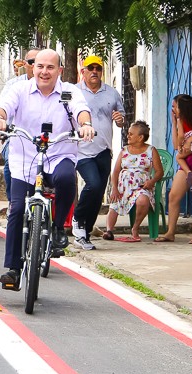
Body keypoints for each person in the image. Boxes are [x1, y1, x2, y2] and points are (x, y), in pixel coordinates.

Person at [0, 48, 95, 291]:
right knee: (16, 209)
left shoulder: (70, 91)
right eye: (40, 66)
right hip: (25, 157)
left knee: (67, 178)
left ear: (60, 70)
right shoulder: (19, 90)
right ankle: (14, 269)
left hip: (59, 153)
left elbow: (81, 111)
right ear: (32, 68)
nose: (44, 72)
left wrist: (86, 125)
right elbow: (3, 107)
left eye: (50, 67)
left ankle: (58, 228)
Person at [72, 54, 125, 250]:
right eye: (90, 68)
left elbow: (121, 118)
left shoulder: (111, 93)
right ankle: (78, 219)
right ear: (83, 71)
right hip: (82, 150)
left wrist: (120, 120)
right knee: (92, 184)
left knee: (98, 191)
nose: (94, 71)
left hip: (104, 148)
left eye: (98, 68)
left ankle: (84, 233)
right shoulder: (74, 92)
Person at [155, 94, 192, 244]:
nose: (173, 109)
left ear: (182, 106)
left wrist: (190, 140)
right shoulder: (180, 120)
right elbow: (176, 145)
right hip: (187, 160)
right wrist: (174, 122)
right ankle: (170, 232)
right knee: (173, 196)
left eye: (175, 106)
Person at [106, 120, 162, 242]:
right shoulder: (124, 150)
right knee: (114, 204)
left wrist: (152, 181)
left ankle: (135, 228)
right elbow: (115, 171)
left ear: (141, 137)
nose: (128, 136)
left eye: (131, 134)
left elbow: (159, 172)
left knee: (143, 201)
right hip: (123, 187)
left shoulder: (151, 151)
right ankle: (109, 231)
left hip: (141, 187)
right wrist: (114, 189)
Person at [0, 49, 38, 205]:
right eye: (31, 62)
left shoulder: (57, 85)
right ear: (25, 64)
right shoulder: (14, 85)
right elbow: (3, 107)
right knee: (10, 163)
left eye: (41, 64)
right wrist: (0, 121)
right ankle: (13, 202)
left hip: (44, 139)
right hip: (17, 136)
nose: (36, 66)